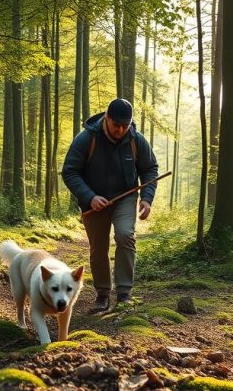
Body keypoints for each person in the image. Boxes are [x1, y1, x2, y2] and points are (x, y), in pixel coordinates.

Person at [61, 99, 159, 312]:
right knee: (98, 246)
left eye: (125, 125)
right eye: (117, 125)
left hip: (126, 197)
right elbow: (69, 171)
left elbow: (150, 168)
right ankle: (103, 293)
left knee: (125, 235)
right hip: (94, 201)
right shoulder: (86, 139)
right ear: (107, 118)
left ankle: (124, 292)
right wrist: (89, 197)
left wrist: (146, 198)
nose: (121, 130)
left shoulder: (136, 139)